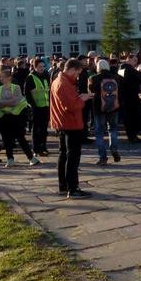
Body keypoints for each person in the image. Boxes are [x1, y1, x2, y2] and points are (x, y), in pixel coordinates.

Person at [51, 59, 94, 198]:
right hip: (70, 123)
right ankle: (73, 188)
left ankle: (63, 186)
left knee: (64, 154)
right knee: (72, 156)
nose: (78, 76)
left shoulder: (58, 80)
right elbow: (71, 106)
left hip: (63, 123)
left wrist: (79, 97)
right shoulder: (64, 83)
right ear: (72, 69)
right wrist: (83, 99)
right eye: (77, 73)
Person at [0, 67, 40, 167]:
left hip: (16, 116)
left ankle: (31, 158)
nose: (1, 79)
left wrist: (2, 102)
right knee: (6, 139)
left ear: (9, 78)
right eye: (0, 77)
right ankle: (10, 159)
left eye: (3, 77)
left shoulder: (16, 87)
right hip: (4, 117)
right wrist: (7, 102)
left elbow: (15, 102)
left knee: (20, 137)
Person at [89, 59, 122, 164]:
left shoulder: (93, 78)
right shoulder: (116, 77)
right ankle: (114, 148)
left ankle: (102, 157)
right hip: (113, 107)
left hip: (99, 109)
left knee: (99, 133)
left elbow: (90, 93)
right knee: (113, 129)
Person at [24, 58, 52, 156]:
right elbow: (27, 93)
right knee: (36, 129)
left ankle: (43, 147)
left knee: (44, 129)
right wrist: (32, 105)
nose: (42, 68)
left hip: (45, 106)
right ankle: (36, 149)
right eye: (40, 67)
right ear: (35, 67)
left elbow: (48, 90)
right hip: (36, 107)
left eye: (43, 66)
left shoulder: (46, 76)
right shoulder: (30, 77)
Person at [118, 54, 141, 144]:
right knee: (133, 118)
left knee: (128, 119)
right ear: (128, 60)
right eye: (134, 60)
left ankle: (131, 135)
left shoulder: (121, 69)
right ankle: (133, 136)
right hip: (131, 97)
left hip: (124, 97)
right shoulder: (130, 69)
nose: (136, 62)